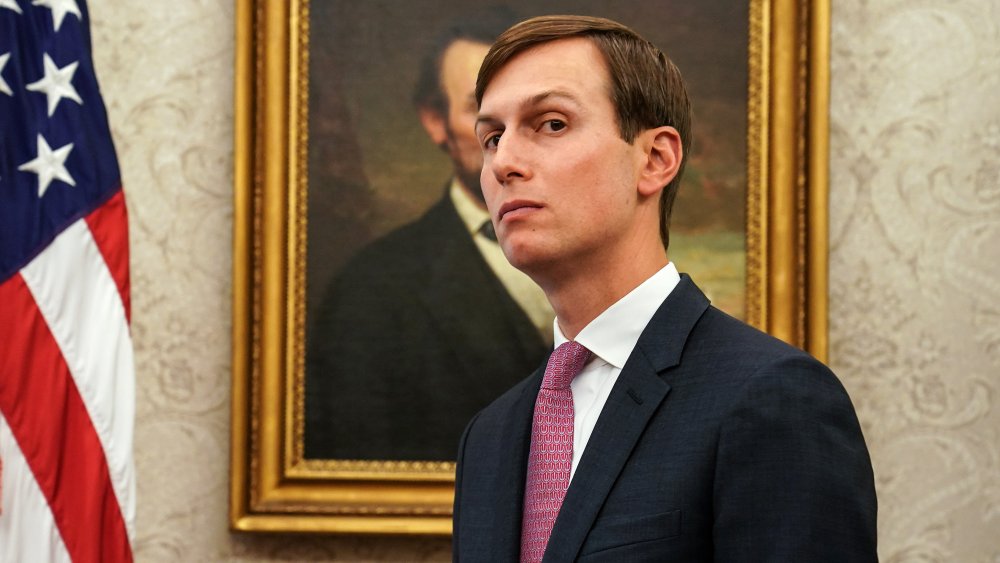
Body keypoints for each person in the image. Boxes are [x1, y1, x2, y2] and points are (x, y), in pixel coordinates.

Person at [452, 15, 877, 562]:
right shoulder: (488, 437)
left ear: (655, 159)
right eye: (491, 137)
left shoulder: (773, 398)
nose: (503, 163)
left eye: (551, 124)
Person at [305, 11, 553, 461]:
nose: (512, 142)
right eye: (484, 111)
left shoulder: (610, 262)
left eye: (540, 117)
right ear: (435, 122)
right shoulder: (372, 290)